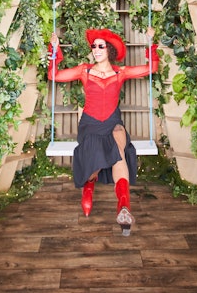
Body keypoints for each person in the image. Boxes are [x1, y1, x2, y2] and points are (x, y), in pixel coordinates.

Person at [48, 27, 159, 236]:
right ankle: (88, 188)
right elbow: (54, 75)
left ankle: (124, 207)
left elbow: (151, 68)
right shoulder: (85, 70)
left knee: (118, 151)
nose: (96, 50)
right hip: (89, 124)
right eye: (94, 46)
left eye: (101, 46)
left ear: (109, 50)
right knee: (96, 153)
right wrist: (55, 51)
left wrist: (150, 42)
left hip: (112, 122)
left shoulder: (120, 72)